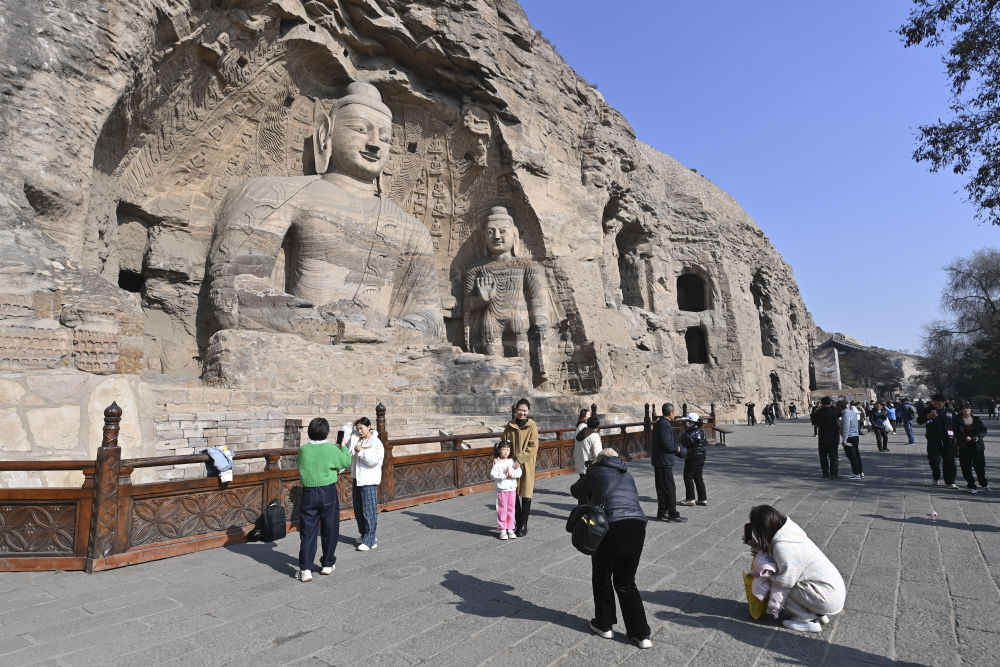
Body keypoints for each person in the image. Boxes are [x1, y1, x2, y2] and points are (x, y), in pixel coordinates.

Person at [571, 448, 652, 649]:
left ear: (600, 460)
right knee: (626, 582)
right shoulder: (628, 474)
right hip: (637, 525)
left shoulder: (596, 471)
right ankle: (641, 634)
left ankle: (604, 624)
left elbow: (575, 490)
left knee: (602, 575)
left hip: (611, 525)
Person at [745, 505, 846, 632]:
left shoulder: (782, 547)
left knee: (772, 581)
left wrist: (763, 576)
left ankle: (807, 620)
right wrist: (756, 546)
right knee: (788, 578)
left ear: (762, 529)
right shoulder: (790, 533)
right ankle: (817, 613)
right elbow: (779, 558)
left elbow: (785, 581)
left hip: (827, 599)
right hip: (833, 592)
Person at [296, 417, 352, 581]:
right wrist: (343, 448)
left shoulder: (304, 450)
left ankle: (305, 569)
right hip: (328, 490)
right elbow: (346, 461)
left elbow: (300, 465)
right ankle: (327, 563)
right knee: (330, 527)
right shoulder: (330, 449)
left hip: (309, 491)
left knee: (308, 531)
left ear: (310, 432)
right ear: (326, 432)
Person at [347, 416, 384, 551]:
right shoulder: (357, 439)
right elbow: (348, 449)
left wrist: (361, 452)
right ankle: (364, 535)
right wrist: (352, 430)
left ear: (369, 427)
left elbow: (374, 461)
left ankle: (370, 540)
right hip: (357, 478)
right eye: (358, 429)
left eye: (361, 428)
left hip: (368, 480)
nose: (360, 431)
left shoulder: (376, 443)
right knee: (359, 510)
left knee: (369, 511)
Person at [504, 398, 538, 537]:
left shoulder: (532, 426)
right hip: (511, 465)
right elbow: (503, 443)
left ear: (528, 411)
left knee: (526, 493)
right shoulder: (510, 425)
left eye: (524, 410)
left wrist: (520, 459)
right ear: (516, 411)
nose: (522, 413)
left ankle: (524, 524)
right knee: (513, 492)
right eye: (520, 410)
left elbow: (533, 446)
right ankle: (517, 521)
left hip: (526, 465)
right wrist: (500, 457)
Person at [651, 403, 687, 522]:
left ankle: (662, 512)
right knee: (669, 488)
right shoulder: (665, 424)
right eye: (674, 412)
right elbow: (666, 443)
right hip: (664, 460)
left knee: (661, 487)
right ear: (671, 413)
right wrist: (676, 449)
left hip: (658, 460)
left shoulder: (658, 422)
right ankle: (672, 513)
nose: (675, 414)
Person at [917, 395, 958, 488]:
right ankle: (936, 477)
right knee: (934, 460)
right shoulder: (928, 410)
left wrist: (956, 437)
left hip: (948, 440)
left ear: (944, 402)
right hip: (933, 439)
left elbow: (956, 424)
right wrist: (927, 416)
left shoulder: (949, 411)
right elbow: (919, 420)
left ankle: (950, 482)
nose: (936, 405)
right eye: (934, 403)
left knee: (949, 461)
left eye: (938, 403)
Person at [953, 404, 989, 494]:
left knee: (980, 466)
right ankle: (971, 485)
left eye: (967, 408)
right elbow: (955, 432)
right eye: (963, 408)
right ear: (961, 410)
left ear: (971, 410)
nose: (966, 410)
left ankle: (984, 484)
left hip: (977, 446)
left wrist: (978, 437)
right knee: (966, 467)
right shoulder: (957, 420)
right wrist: (964, 437)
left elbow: (983, 430)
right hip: (964, 446)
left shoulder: (977, 419)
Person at [490, 440, 522, 538]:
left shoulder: (512, 461)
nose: (505, 451)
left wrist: (511, 474)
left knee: (511, 509)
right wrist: (504, 475)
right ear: (499, 450)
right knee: (502, 509)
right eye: (503, 449)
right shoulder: (497, 462)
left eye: (508, 449)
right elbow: (493, 474)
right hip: (502, 489)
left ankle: (510, 528)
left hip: (512, 489)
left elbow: (519, 473)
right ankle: (502, 529)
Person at [677, 413, 709, 506]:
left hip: (693, 456)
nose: (685, 423)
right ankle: (703, 498)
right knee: (698, 477)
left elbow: (684, 443)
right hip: (702, 455)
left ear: (691, 422)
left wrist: (683, 434)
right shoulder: (700, 430)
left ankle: (690, 498)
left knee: (688, 477)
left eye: (686, 421)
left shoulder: (689, 432)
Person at [811, 397, 840, 479]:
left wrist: (814, 413)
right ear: (830, 403)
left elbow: (813, 421)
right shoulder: (834, 411)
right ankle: (834, 474)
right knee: (833, 455)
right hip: (834, 435)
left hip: (822, 436)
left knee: (823, 455)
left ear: (821, 403)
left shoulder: (818, 411)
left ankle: (825, 472)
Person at [838, 400, 863, 480]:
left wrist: (844, 440)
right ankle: (860, 472)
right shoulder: (851, 412)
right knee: (856, 455)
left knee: (852, 456)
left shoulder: (845, 414)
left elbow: (846, 428)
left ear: (839, 407)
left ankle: (856, 474)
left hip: (850, 437)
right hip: (855, 436)